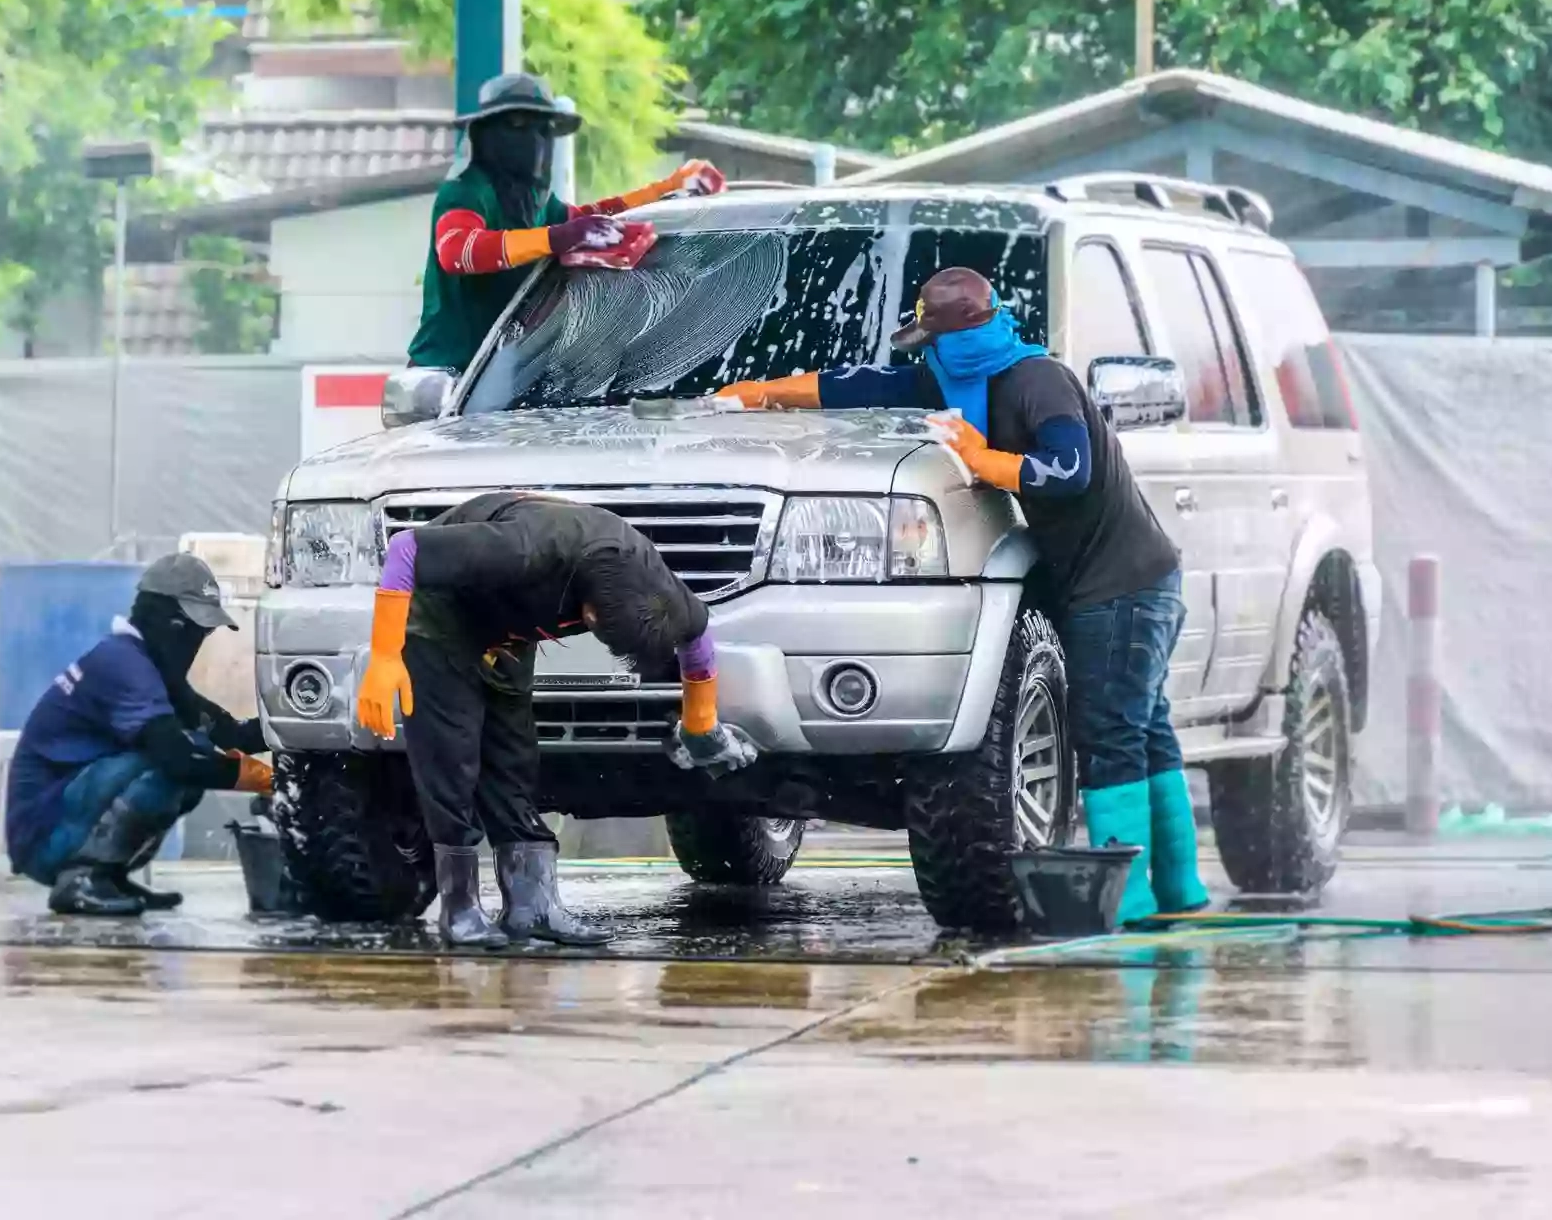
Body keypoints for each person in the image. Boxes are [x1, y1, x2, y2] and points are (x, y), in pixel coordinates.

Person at [717, 267, 1207, 926]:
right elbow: (863, 385)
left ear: (954, 336)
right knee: (1144, 732)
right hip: (1135, 581)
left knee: (1110, 734)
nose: (924, 355)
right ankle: (1179, 892)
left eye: (930, 339)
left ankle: (1134, 906)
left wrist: (982, 462)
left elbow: (1070, 469)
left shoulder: (1039, 381)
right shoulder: (960, 377)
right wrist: (762, 396)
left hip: (1124, 587)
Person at [355, 493, 757, 948]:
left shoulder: (655, 588)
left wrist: (701, 726)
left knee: (514, 755)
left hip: (505, 625)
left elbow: (697, 637)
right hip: (437, 607)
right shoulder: (529, 547)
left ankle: (532, 905)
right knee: (453, 754)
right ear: (588, 609)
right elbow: (406, 549)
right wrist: (386, 656)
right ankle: (460, 908)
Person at [5, 554, 277, 917]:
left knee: (193, 762)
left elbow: (232, 734)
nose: (197, 641)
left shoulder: (150, 666)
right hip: (44, 834)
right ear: (169, 622)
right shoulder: (123, 664)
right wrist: (259, 778)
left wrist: (294, 727)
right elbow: (177, 758)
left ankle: (110, 874)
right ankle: (83, 877)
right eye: (195, 630)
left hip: (64, 815)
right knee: (175, 766)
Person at [406, 71, 728, 372]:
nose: (534, 141)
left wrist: (669, 187)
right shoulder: (465, 192)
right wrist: (556, 237)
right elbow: (458, 251)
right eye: (517, 125)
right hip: (448, 375)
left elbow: (594, 218)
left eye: (543, 129)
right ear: (487, 134)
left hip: (510, 375)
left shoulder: (537, 202)